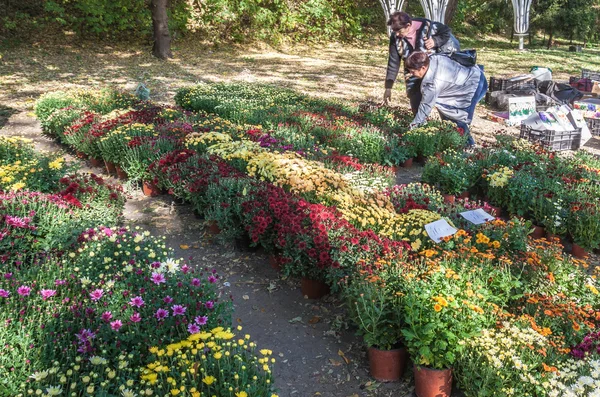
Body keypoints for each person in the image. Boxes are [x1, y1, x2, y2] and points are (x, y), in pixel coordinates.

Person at [405, 51, 488, 146]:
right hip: (472, 76)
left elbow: (425, 107)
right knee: (446, 113)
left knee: (455, 117)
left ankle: (468, 146)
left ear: (423, 68)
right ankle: (454, 142)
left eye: (412, 71)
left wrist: (413, 127)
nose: (411, 74)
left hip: (475, 85)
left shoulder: (432, 84)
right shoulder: (431, 58)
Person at [383, 11, 460, 113]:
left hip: (435, 72)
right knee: (415, 100)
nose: (396, 33)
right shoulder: (395, 37)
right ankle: (419, 124)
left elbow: (446, 32)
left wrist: (435, 41)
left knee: (443, 103)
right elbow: (393, 62)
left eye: (399, 30)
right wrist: (388, 87)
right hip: (412, 73)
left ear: (408, 25)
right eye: (394, 30)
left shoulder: (429, 26)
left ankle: (450, 125)